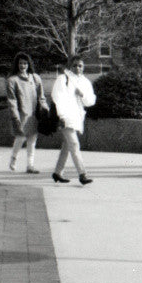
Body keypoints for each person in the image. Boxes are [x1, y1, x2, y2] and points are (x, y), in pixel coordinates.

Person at [50, 55, 95, 185]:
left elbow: (90, 101)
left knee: (67, 146)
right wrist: (62, 116)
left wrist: (82, 94)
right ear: (70, 66)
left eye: (80, 66)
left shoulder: (85, 82)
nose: (77, 68)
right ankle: (82, 174)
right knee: (74, 144)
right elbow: (57, 98)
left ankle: (57, 173)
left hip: (77, 118)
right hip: (66, 117)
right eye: (75, 65)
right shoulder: (63, 79)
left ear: (83, 67)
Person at [6, 52, 47, 173]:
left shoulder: (35, 78)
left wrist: (45, 109)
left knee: (32, 141)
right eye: (20, 63)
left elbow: (42, 96)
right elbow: (12, 100)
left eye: (25, 63)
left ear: (29, 64)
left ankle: (30, 166)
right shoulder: (12, 80)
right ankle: (13, 159)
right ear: (16, 65)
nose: (23, 65)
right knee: (20, 138)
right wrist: (15, 116)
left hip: (34, 114)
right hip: (22, 114)